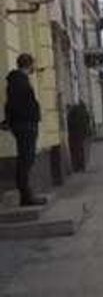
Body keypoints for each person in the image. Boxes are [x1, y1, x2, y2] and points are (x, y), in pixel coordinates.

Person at [2, 53, 46, 206]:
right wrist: (24, 119)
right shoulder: (19, 81)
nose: (35, 67)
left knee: (26, 159)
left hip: (24, 124)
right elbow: (14, 104)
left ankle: (27, 195)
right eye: (33, 64)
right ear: (29, 64)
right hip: (25, 125)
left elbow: (11, 104)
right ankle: (26, 196)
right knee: (26, 160)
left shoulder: (19, 80)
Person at [66, 101, 93, 173]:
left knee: (75, 151)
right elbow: (87, 122)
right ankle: (82, 165)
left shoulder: (72, 113)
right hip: (82, 133)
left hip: (73, 134)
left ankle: (76, 166)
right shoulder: (84, 112)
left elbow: (69, 123)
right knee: (81, 150)